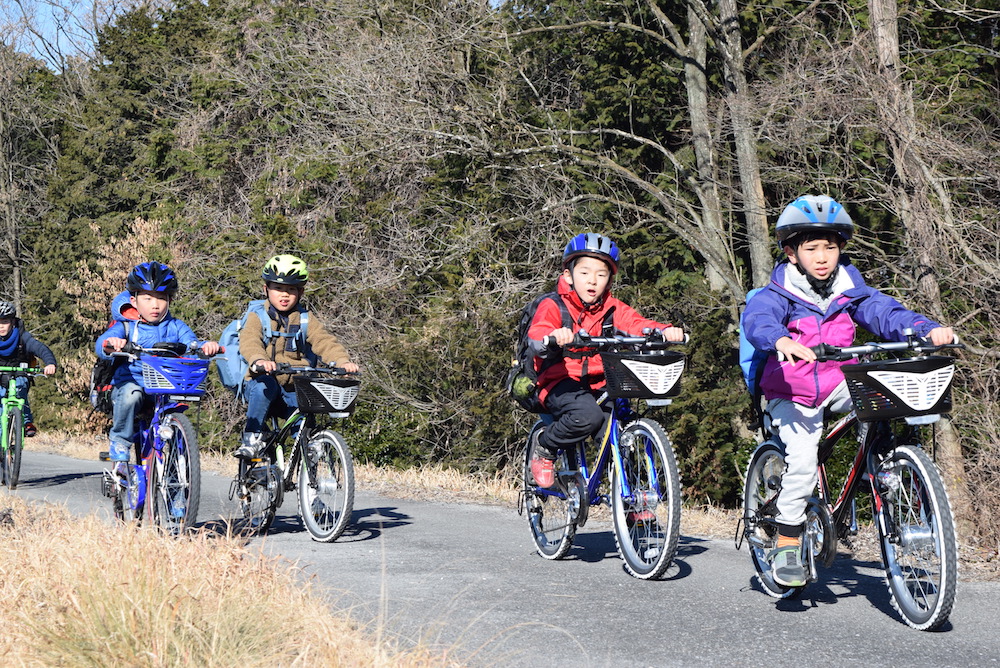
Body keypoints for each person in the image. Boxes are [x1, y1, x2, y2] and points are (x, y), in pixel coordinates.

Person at [741, 195, 955, 588]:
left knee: (885, 398)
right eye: (811, 248)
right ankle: (787, 543)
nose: (822, 257)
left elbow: (886, 313)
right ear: (791, 253)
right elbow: (759, 320)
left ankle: (889, 468)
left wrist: (926, 329)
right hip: (792, 389)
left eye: (830, 247)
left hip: (838, 382)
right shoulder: (777, 295)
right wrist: (781, 341)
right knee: (803, 461)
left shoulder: (849, 289)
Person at [526, 232, 685, 490]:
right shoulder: (553, 305)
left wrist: (664, 331)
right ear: (568, 275)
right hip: (559, 380)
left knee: (623, 429)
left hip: (602, 382)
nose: (593, 280)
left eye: (601, 274)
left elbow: (638, 325)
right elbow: (539, 331)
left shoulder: (613, 308)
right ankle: (545, 447)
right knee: (587, 416)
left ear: (610, 280)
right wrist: (554, 335)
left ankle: (631, 499)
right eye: (585, 272)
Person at [234, 254, 359, 458]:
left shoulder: (305, 319)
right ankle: (252, 438)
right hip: (263, 387)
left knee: (305, 414)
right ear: (266, 290)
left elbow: (324, 341)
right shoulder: (257, 316)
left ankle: (307, 452)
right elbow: (250, 341)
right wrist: (259, 360)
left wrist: (342, 361)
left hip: (293, 388)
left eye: (291, 289)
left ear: (300, 292)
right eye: (278, 289)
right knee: (265, 384)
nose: (284, 295)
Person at [96, 262, 221, 462]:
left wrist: (207, 347)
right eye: (147, 298)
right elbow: (102, 343)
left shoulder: (176, 327)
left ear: (169, 300)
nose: (155, 305)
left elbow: (193, 344)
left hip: (164, 386)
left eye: (161, 298)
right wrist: (111, 344)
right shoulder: (127, 327)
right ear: (134, 301)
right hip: (132, 382)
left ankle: (177, 464)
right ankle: (120, 440)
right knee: (130, 395)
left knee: (177, 408)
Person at [0, 301, 57, 436]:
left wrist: (50, 363)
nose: (1, 326)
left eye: (5, 321)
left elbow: (40, 348)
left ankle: (25, 421)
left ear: (12, 322)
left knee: (20, 388)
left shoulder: (22, 336)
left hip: (19, 371)